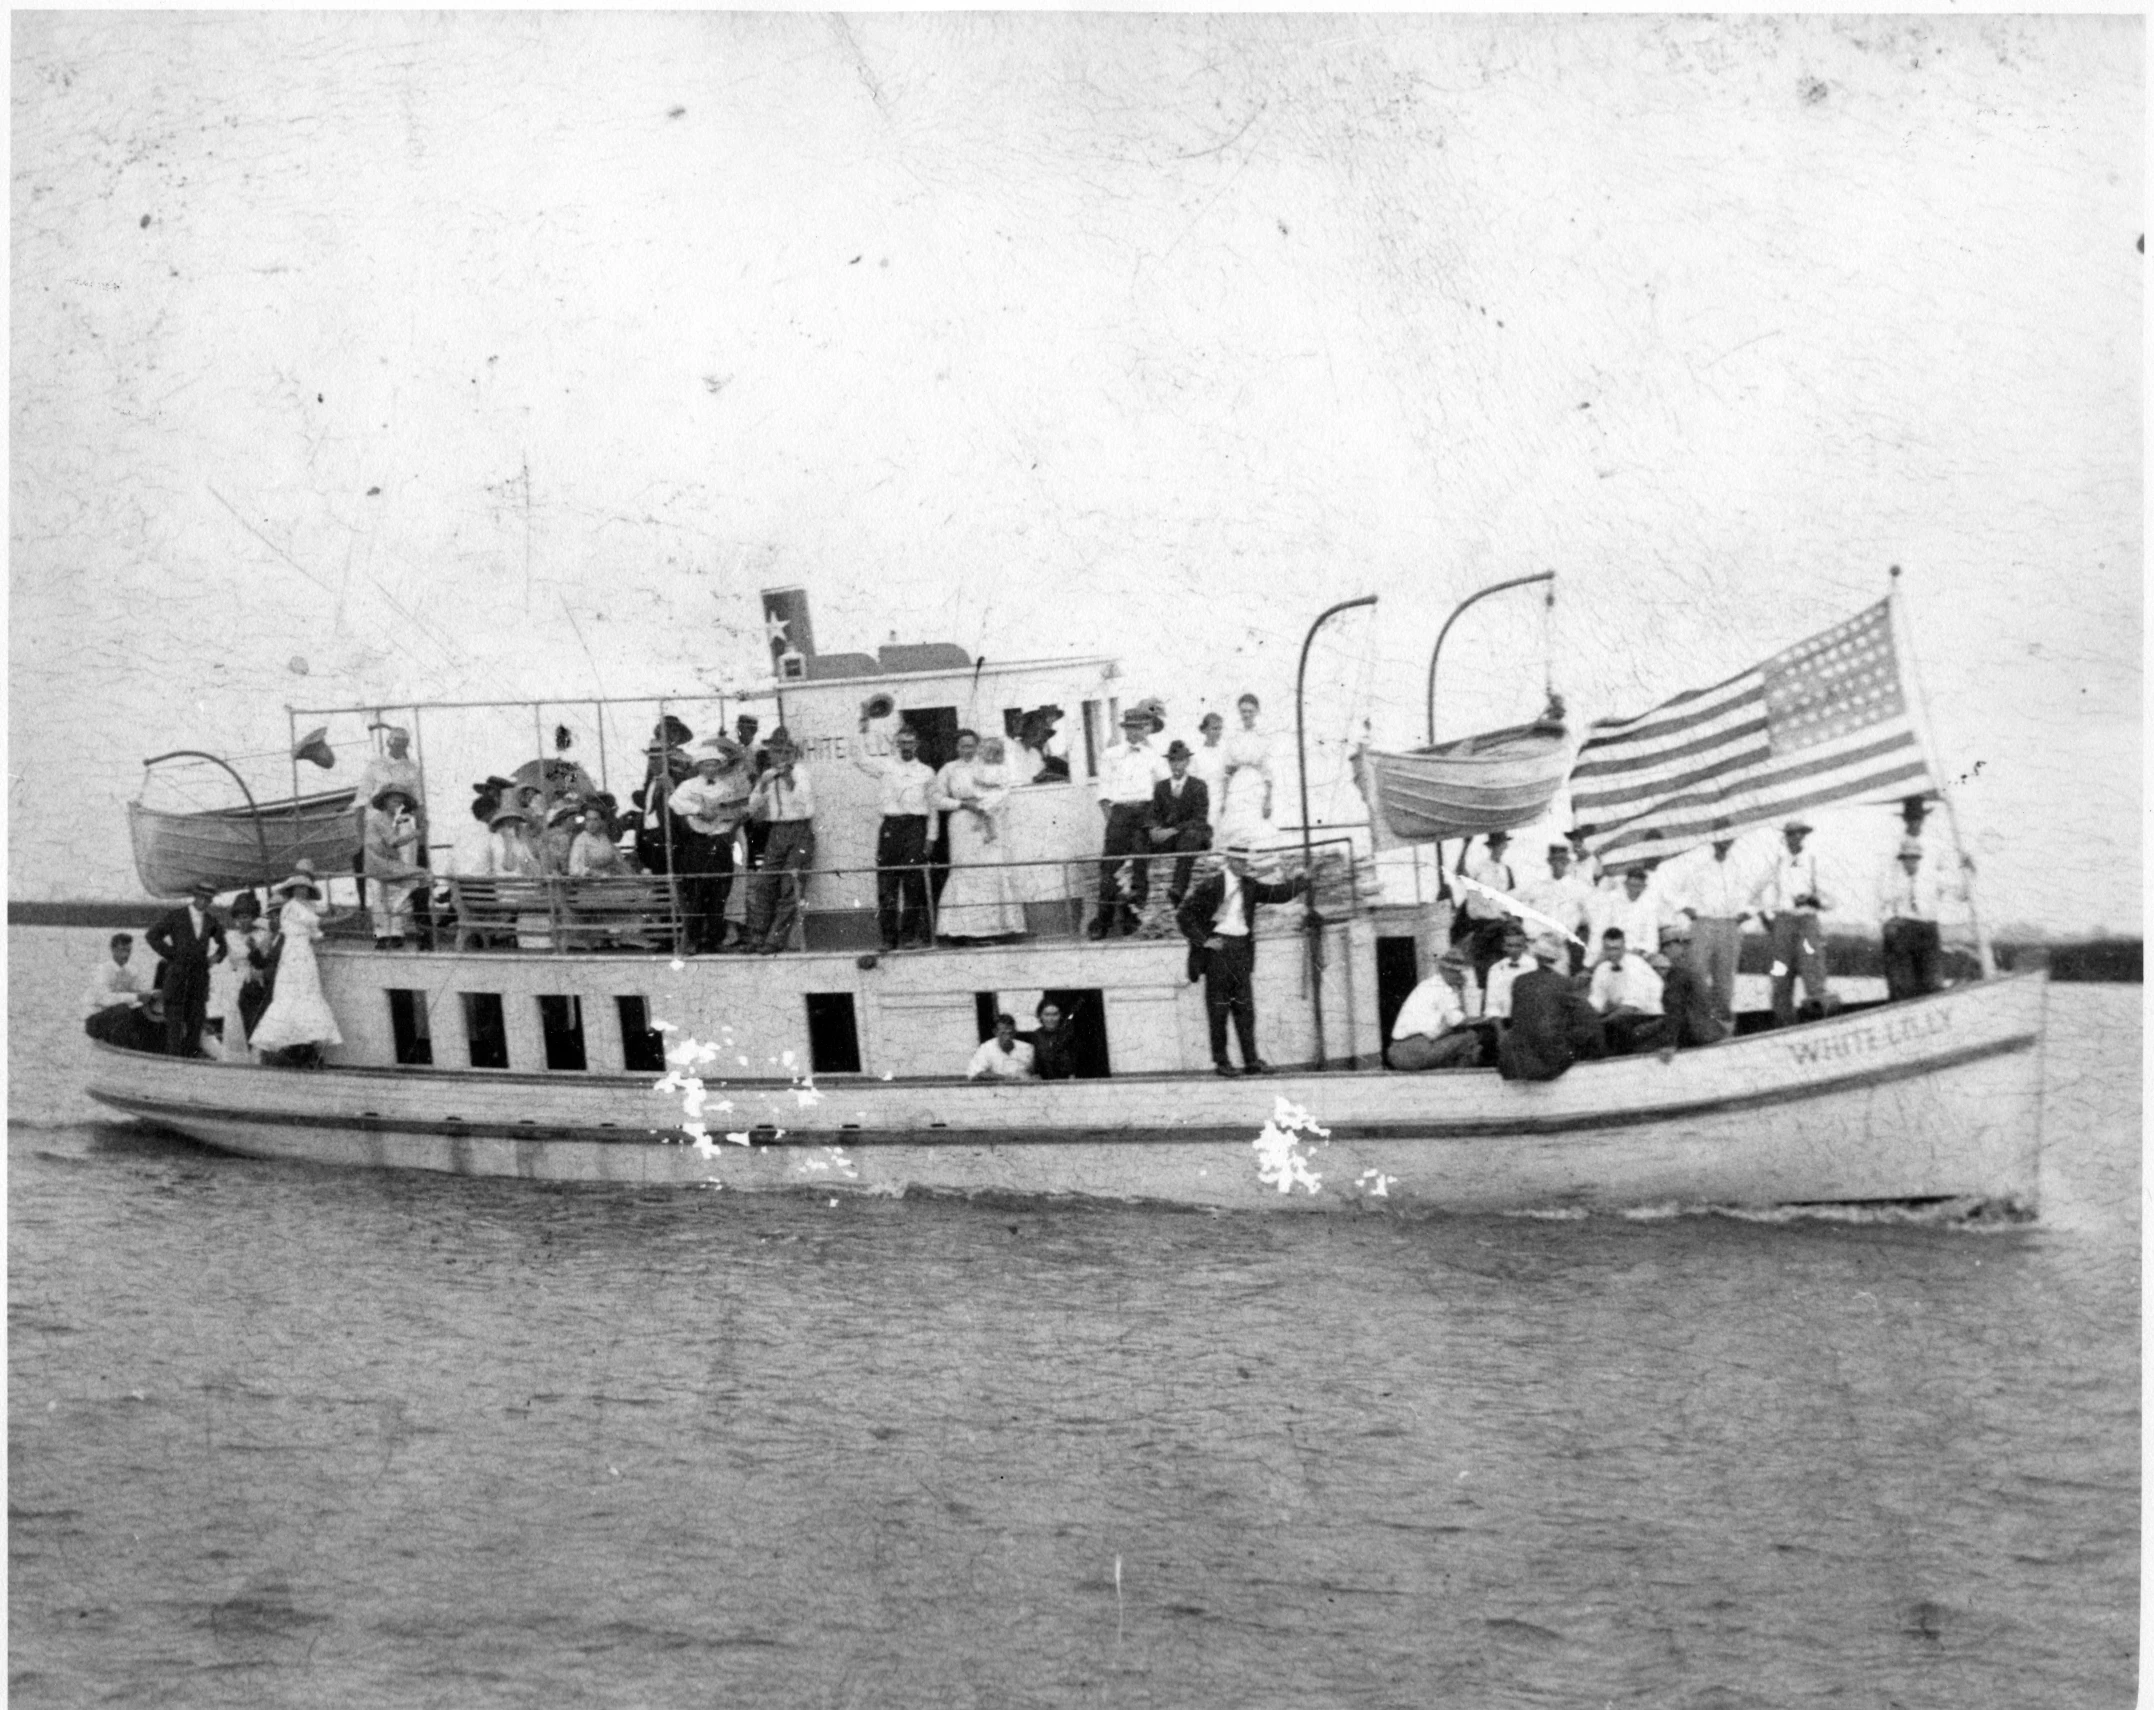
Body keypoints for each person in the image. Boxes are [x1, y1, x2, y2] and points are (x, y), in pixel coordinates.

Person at [1176, 842, 1310, 1076]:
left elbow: (1275, 894)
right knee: (1218, 1009)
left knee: (1245, 1009)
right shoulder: (1212, 884)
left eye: (1245, 861)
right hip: (1218, 952)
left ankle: (1251, 1061)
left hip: (1241, 950)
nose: (1243, 865)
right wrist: (1204, 940)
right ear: (1228, 860)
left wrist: (1301, 883)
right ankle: (1222, 1062)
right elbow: (1184, 914)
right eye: (1239, 861)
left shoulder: (1249, 885)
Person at [851, 714, 938, 949]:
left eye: (910, 742)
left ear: (916, 744)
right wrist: (862, 730)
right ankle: (889, 938)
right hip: (890, 828)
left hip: (916, 828)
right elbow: (859, 759)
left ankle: (908, 936)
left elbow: (932, 808)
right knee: (887, 885)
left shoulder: (927, 772)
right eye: (902, 742)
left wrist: (931, 837)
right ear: (896, 743)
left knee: (913, 884)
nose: (906, 746)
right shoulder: (886, 765)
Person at [933, 730, 1025, 941]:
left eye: (971, 745)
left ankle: (996, 928)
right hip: (962, 821)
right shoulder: (949, 769)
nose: (968, 750)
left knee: (990, 869)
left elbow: (1003, 790)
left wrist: (985, 807)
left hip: (987, 821)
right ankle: (965, 930)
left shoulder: (989, 766)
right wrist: (962, 804)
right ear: (957, 748)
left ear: (978, 746)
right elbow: (936, 798)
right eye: (963, 746)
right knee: (966, 871)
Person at [1665, 820, 1755, 1026]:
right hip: (1703, 924)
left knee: (1725, 979)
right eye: (1720, 837)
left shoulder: (1740, 868)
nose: (1724, 842)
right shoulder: (1699, 868)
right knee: (1697, 974)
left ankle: (1722, 1023)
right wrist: (1688, 909)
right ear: (1713, 840)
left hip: (1729, 926)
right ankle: (1696, 1022)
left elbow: (1753, 900)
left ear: (1732, 840)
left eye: (1728, 838)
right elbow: (1670, 890)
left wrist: (1745, 914)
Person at [249, 870, 343, 1065]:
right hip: (294, 953)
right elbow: (317, 922)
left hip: (305, 953)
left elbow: (316, 933)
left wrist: (329, 934)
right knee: (292, 995)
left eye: (305, 889)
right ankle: (298, 1048)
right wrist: (343, 918)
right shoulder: (292, 907)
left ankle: (305, 1047)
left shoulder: (305, 908)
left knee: (307, 993)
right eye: (299, 888)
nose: (302, 891)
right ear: (292, 891)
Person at [1091, 708, 1169, 937]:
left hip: (1144, 813)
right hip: (1120, 813)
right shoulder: (1111, 754)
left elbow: (1164, 789)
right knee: (1111, 868)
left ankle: (1131, 920)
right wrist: (1114, 822)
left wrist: (1156, 820)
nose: (1136, 732)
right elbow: (1104, 794)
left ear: (1146, 729)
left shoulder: (1152, 755)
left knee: (1138, 867)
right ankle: (1102, 923)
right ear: (1125, 730)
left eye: (1140, 727)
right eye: (1131, 727)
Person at [670, 737, 752, 952]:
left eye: (715, 763)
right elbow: (675, 802)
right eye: (707, 763)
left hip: (721, 841)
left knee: (719, 893)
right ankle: (694, 940)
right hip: (699, 843)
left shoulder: (727, 788)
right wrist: (698, 810)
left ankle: (715, 939)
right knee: (697, 893)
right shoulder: (688, 786)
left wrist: (739, 814)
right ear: (699, 766)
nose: (711, 767)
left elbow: (734, 812)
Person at [1751, 817, 1834, 1025]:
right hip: (1783, 922)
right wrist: (1765, 918)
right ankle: (1783, 1024)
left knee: (1813, 974)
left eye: (1799, 833)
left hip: (1807, 921)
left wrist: (1814, 900)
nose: (1795, 837)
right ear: (1785, 837)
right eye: (1791, 834)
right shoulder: (1776, 861)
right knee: (1780, 977)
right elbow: (1755, 893)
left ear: (1804, 836)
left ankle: (1820, 1022)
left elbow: (1831, 900)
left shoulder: (1814, 860)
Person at [743, 727, 816, 954]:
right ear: (771, 753)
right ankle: (758, 936)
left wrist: (788, 778)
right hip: (776, 831)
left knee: (790, 888)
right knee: (765, 884)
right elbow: (753, 806)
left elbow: (806, 804)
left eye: (786, 751)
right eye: (777, 751)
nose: (782, 756)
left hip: (799, 830)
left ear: (793, 752)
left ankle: (775, 940)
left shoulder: (801, 772)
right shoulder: (767, 774)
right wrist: (764, 784)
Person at [1499, 932, 1608, 1083]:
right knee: (1586, 1031)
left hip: (1518, 1059)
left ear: (1535, 956)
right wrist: (1600, 1049)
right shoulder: (1561, 983)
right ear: (1556, 959)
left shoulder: (1518, 982)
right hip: (1549, 1060)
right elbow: (1588, 1018)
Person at [1877, 835, 1966, 1002]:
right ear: (1901, 860)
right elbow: (1880, 908)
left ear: (1919, 859)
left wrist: (1968, 873)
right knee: (1903, 986)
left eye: (1913, 858)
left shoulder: (1933, 878)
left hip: (1927, 931)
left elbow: (1961, 894)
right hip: (1902, 932)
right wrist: (1888, 922)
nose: (1909, 862)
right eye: (1905, 858)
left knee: (1932, 983)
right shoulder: (1892, 879)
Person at [144, 880, 226, 1058]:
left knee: (195, 1028)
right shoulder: (176, 916)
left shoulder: (211, 921)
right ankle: (172, 1069)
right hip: (176, 982)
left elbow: (223, 946)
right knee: (174, 1030)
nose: (204, 902)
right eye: (202, 897)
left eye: (208, 899)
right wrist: (172, 954)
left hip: (199, 984)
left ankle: (190, 1068)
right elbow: (152, 936)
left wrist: (215, 958)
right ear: (194, 896)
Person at [1387, 949, 1485, 1070]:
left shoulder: (1428, 984)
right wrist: (1486, 1019)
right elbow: (1457, 1021)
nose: (1458, 975)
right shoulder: (1443, 988)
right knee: (1470, 1037)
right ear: (1442, 970)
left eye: (1459, 971)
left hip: (1398, 1051)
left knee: (1457, 1039)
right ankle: (1460, 1081)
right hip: (1416, 1048)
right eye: (1454, 971)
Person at [206, 893, 272, 1059]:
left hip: (255, 979)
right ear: (235, 917)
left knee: (254, 1020)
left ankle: (256, 1057)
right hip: (235, 981)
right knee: (235, 1021)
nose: (244, 921)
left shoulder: (263, 936)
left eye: (248, 916)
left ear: (254, 917)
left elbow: (265, 961)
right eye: (241, 917)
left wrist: (254, 951)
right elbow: (220, 957)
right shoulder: (229, 937)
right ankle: (237, 1057)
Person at [1147, 739, 1212, 905]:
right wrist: (1154, 828)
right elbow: (1154, 813)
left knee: (1190, 837)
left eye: (1180, 761)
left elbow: (1199, 818)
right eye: (1172, 761)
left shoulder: (1198, 786)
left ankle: (1178, 889)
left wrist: (1172, 830)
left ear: (1187, 762)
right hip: (1171, 838)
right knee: (1140, 837)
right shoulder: (1161, 787)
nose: (1176, 765)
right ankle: (1138, 892)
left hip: (1193, 836)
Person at [362, 787, 429, 947]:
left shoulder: (390, 819)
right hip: (380, 864)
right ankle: (389, 935)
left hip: (381, 863)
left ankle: (391, 935)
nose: (398, 804)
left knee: (387, 898)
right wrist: (417, 832)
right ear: (385, 802)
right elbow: (394, 842)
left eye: (400, 802)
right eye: (394, 801)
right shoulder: (382, 819)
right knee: (422, 876)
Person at [1517, 842, 1595, 976]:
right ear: (1549, 861)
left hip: (1561, 948)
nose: (1559, 864)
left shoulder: (1579, 888)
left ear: (1568, 862)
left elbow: (1591, 921)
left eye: (1563, 860)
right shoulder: (1538, 887)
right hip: (1536, 947)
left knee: (1557, 988)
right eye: (1555, 859)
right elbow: (1507, 901)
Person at [1651, 919, 1729, 1049]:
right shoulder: (1691, 968)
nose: (1664, 950)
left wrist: (1669, 1044)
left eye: (1668, 945)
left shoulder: (1678, 973)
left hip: (1693, 1034)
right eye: (1663, 946)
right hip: (1708, 1029)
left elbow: (1675, 1010)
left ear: (1681, 945)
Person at [1587, 927, 1665, 1055]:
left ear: (1624, 947)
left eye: (1616, 948)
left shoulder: (1635, 964)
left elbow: (1630, 1008)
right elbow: (1596, 1002)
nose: (1612, 954)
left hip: (1652, 1017)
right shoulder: (1602, 969)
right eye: (1608, 949)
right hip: (1626, 1017)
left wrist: (1599, 1023)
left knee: (1616, 1030)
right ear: (1603, 949)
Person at [82, 932, 162, 1050]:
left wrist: (152, 995)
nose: (126, 954)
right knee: (123, 1009)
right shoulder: (103, 970)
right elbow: (105, 999)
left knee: (145, 1014)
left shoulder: (131, 971)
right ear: (113, 949)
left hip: (116, 1017)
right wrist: (137, 997)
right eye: (122, 950)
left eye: (129, 950)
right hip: (96, 1019)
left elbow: (139, 993)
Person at [1457, 831, 1518, 984]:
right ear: (1491, 847)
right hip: (1483, 927)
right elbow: (1460, 874)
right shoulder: (1478, 867)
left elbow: (1511, 899)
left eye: (1503, 844)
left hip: (1502, 928)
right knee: (1485, 975)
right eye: (1497, 844)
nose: (1501, 847)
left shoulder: (1507, 870)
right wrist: (1465, 846)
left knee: (1505, 975)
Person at [1215, 693, 1275, 846]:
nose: (1247, 714)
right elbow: (1228, 770)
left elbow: (1268, 771)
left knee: (1256, 826)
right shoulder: (1234, 737)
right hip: (1238, 783)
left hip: (1256, 783)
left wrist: (1268, 800)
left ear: (1256, 712)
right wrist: (1223, 799)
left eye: (1250, 711)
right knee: (1235, 825)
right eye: (1243, 711)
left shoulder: (1263, 736)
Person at [1589, 863, 1666, 957]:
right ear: (1625, 884)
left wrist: (1638, 950)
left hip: (1637, 953)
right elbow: (1598, 931)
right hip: (1610, 951)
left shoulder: (1649, 907)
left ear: (1644, 887)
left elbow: (1652, 940)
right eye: (1631, 885)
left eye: (1638, 886)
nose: (1633, 890)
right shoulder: (1611, 900)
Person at [1481, 920, 1539, 1022]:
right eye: (1510, 945)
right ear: (1503, 946)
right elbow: (1492, 1004)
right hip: (1503, 1022)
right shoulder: (1496, 969)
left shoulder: (1534, 966)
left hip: (1529, 1021)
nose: (1514, 950)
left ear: (1525, 946)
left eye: (1518, 945)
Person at [966, 1014, 1037, 1081]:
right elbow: (975, 1074)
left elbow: (1036, 1073)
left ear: (1015, 1032)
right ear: (995, 1032)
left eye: (1010, 1033)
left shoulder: (1027, 1048)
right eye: (1003, 1033)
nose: (1007, 1037)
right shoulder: (986, 1048)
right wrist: (1005, 1078)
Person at [1024, 999, 1081, 1081]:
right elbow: (1034, 1063)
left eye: (1055, 1014)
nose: (1051, 1019)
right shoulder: (1036, 1036)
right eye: (1047, 1015)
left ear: (1060, 1015)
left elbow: (1074, 1063)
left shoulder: (1069, 1035)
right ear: (1040, 1016)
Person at [1188, 712, 1229, 814]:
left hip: (1220, 802)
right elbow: (1191, 780)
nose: (1218, 732)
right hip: (1200, 801)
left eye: (1220, 729)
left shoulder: (1224, 752)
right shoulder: (1196, 753)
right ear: (1205, 730)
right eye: (1214, 728)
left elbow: (1226, 779)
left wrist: (1225, 802)